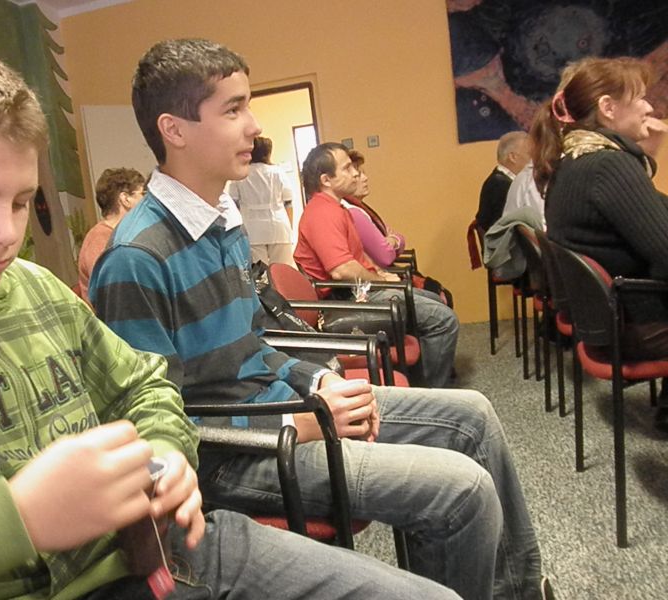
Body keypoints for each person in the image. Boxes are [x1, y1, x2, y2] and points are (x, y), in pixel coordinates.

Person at [0, 43, 462, 600]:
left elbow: (145, 385)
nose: (5, 233)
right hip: (139, 538)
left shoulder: (35, 288)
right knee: (453, 490)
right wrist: (14, 519)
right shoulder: (134, 256)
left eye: (22, 202)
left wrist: (162, 451)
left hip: (163, 548)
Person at [90, 38, 553, 600]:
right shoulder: (135, 259)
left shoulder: (221, 220)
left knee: (472, 415)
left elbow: (256, 347)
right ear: (175, 130)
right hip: (231, 457)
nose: (253, 126)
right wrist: (295, 423)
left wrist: (319, 382)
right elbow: (155, 432)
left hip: (280, 413)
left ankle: (518, 590)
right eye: (233, 110)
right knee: (460, 490)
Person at [532, 55, 668, 429]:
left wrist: (647, 154)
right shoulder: (609, 165)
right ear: (608, 108)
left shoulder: (574, 160)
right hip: (636, 322)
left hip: (607, 318)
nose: (649, 108)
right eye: (640, 97)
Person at [294, 142, 459, 388]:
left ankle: (420, 381)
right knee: (444, 321)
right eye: (347, 168)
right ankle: (433, 393)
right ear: (326, 180)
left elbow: (358, 258)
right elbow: (342, 270)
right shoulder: (322, 213)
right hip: (348, 299)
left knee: (434, 300)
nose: (355, 173)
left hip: (359, 291)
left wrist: (381, 273)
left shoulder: (337, 209)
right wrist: (381, 280)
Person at [77, 167, 145, 302]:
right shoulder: (99, 240)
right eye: (143, 194)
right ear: (125, 199)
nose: (147, 201)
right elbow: (115, 294)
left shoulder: (122, 235)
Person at [228, 135, 295, 266]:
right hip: (279, 226)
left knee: (259, 272)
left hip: (252, 229)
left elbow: (233, 204)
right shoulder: (278, 172)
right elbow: (288, 202)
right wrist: (289, 228)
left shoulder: (241, 174)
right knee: (283, 270)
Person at [341, 149, 406, 268]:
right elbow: (385, 257)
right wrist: (394, 241)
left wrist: (394, 240)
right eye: (358, 175)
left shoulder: (362, 208)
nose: (365, 178)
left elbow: (395, 237)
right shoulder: (353, 212)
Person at [475, 131, 531, 233]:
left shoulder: (498, 180)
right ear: (513, 157)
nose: (534, 159)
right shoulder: (500, 186)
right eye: (530, 154)